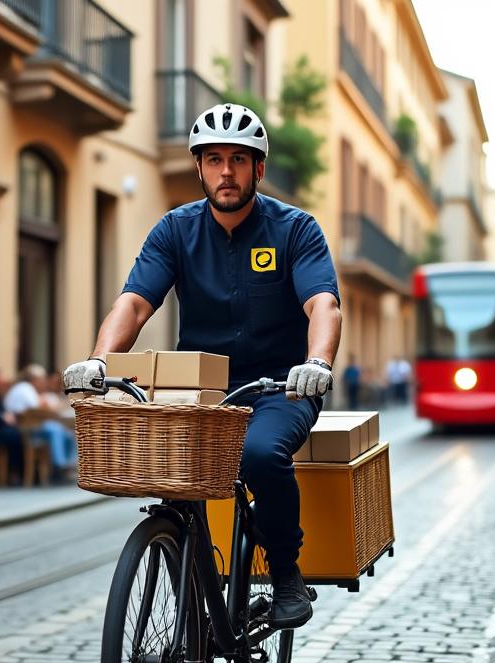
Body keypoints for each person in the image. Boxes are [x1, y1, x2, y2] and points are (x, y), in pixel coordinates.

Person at [62, 103, 341, 629]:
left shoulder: (295, 230)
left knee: (261, 455)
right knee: (173, 474)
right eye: (213, 159)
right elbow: (135, 303)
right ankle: (192, 579)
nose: (226, 172)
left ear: (259, 168)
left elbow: (322, 303)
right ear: (198, 167)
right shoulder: (175, 231)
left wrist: (317, 362)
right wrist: (99, 360)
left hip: (280, 388)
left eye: (239, 159)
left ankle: (286, 577)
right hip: (200, 391)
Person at [4, 363, 77, 474]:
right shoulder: (25, 388)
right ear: (34, 379)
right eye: (41, 379)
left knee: (66, 432)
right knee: (56, 429)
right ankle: (60, 464)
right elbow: (36, 407)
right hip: (26, 429)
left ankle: (66, 464)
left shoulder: (25, 388)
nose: (43, 382)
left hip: (28, 426)